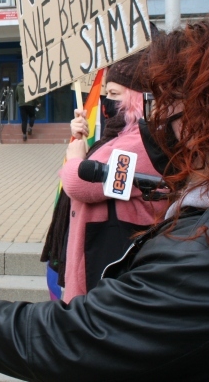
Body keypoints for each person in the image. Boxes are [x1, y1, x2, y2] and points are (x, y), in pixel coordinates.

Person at [0, 12, 209, 381]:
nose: (162, 112)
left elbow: (72, 340)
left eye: (174, 98)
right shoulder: (205, 227)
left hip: (103, 249)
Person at [41, 53, 167, 302]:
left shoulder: (140, 142)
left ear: (138, 97)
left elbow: (81, 183)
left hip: (108, 257)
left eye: (115, 94)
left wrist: (75, 159)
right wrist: (80, 141)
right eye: (107, 93)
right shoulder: (122, 136)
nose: (107, 102)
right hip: (100, 254)